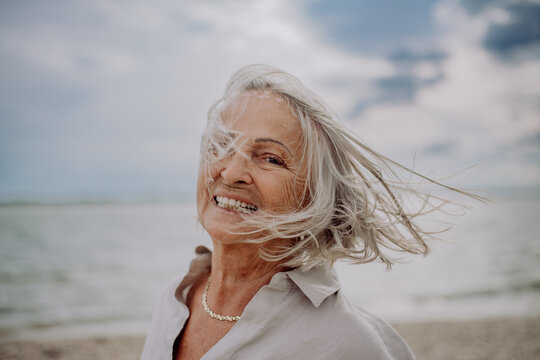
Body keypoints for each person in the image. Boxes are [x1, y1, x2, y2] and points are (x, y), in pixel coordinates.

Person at [141, 64, 478, 360]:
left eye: (270, 158)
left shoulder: (347, 344)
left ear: (313, 196)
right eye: (222, 146)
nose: (230, 173)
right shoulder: (174, 300)